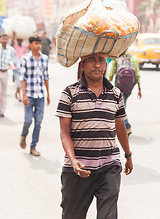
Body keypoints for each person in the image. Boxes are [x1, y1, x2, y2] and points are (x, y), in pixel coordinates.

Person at [56, 52, 133, 218]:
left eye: (101, 61)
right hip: (77, 169)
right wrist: (73, 160)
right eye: (91, 60)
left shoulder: (116, 94)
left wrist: (128, 155)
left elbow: (120, 128)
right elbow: (64, 133)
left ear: (106, 66)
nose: (97, 65)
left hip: (109, 167)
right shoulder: (69, 93)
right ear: (82, 66)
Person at [19, 35, 50, 156]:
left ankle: (33, 147)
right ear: (30, 45)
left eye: (39, 43)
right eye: (35, 43)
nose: (38, 45)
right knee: (28, 121)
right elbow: (22, 78)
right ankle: (23, 135)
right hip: (29, 95)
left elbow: (46, 77)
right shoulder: (25, 59)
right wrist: (24, 95)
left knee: (38, 122)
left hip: (40, 96)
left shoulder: (44, 59)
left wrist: (48, 94)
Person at [108, 52, 142, 136]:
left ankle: (127, 126)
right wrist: (139, 89)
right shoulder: (133, 59)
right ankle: (123, 126)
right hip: (129, 87)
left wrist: (109, 82)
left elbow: (111, 72)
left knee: (121, 107)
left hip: (119, 86)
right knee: (123, 104)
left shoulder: (116, 58)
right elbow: (137, 74)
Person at [11, 31, 29, 101]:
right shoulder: (15, 47)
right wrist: (14, 36)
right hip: (15, 67)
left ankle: (20, 93)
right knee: (18, 81)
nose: (19, 41)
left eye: (21, 40)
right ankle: (18, 93)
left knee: (23, 81)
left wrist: (27, 35)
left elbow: (29, 45)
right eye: (18, 40)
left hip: (23, 67)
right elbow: (12, 44)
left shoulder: (24, 48)